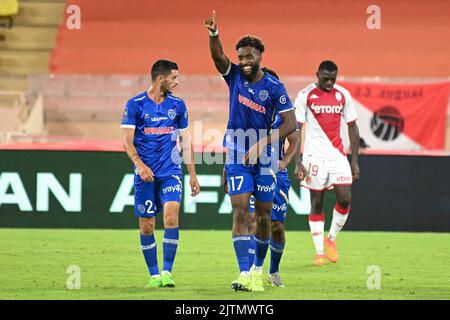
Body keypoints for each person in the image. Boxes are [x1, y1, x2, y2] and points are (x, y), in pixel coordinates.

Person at [205, 10, 297, 292]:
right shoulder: (233, 76)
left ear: (260, 57)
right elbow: (218, 57)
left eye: (249, 57)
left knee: (265, 217)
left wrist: (262, 144)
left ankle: (259, 269)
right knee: (240, 212)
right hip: (236, 154)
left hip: (265, 158)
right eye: (241, 57)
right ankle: (244, 272)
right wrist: (213, 34)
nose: (244, 62)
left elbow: (291, 125)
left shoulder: (274, 87)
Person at [121, 59, 200, 288]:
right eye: (174, 77)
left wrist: (192, 174)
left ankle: (167, 271)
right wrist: (139, 164)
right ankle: (154, 274)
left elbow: (185, 140)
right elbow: (127, 141)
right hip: (145, 173)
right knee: (147, 224)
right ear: (160, 78)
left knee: (171, 216)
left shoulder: (178, 105)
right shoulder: (135, 104)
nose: (177, 82)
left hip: (171, 170)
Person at [294, 60, 360, 265]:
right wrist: (298, 160)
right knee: (316, 202)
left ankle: (331, 239)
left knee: (345, 199)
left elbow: (352, 127)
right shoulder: (305, 96)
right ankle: (319, 253)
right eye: (326, 79)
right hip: (313, 157)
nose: (330, 83)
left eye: (333, 78)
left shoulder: (343, 95)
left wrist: (354, 161)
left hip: (338, 156)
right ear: (317, 75)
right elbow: (296, 130)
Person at [245, 68, 301, 288]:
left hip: (276, 176)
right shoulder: (249, 111)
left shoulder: (282, 114)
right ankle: (250, 271)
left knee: (277, 226)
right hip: (253, 171)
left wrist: (284, 163)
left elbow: (295, 140)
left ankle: (274, 271)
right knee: (254, 221)